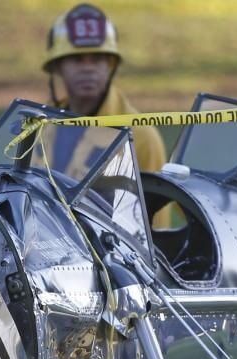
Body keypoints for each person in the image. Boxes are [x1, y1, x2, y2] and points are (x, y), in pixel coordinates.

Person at [43, 3, 170, 227]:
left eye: (98, 59)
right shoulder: (41, 127)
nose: (88, 68)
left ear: (110, 65)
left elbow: (154, 234)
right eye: (77, 60)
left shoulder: (141, 137)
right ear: (58, 67)